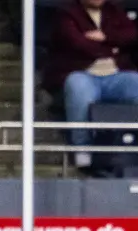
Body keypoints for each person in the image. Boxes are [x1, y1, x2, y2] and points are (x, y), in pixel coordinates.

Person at [48, 0, 138, 170]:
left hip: (115, 75)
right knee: (77, 86)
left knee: (136, 83)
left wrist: (106, 37)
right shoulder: (67, 13)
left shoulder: (114, 10)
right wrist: (112, 48)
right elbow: (78, 43)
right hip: (83, 73)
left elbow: (132, 34)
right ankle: (82, 147)